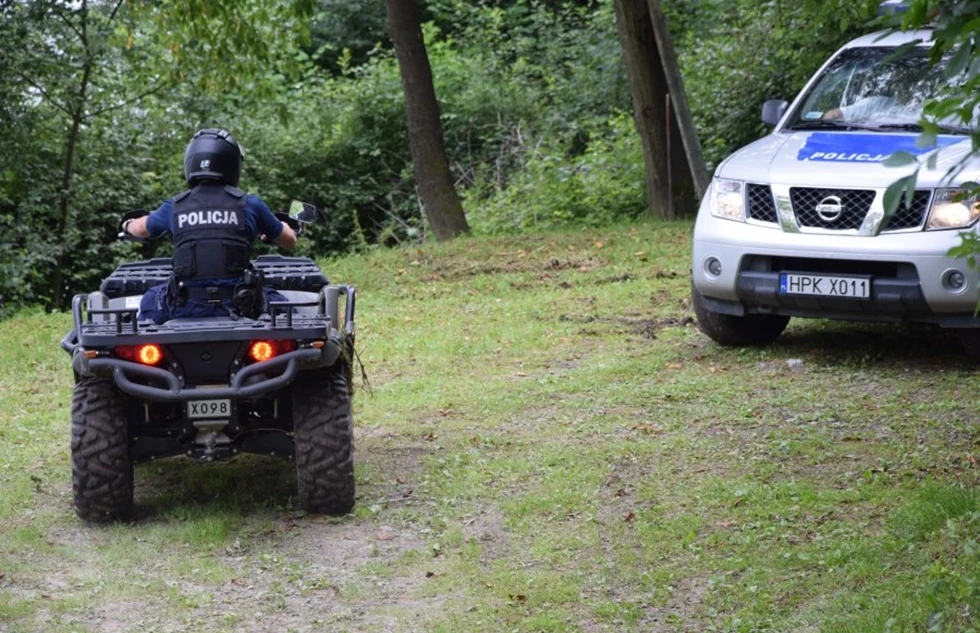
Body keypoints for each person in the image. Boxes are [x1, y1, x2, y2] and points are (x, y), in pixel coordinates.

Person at [122, 128, 298, 324]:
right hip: (241, 305)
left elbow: (141, 229)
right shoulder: (250, 205)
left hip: (184, 306)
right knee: (289, 313)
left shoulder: (174, 206)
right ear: (232, 164)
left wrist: (127, 224)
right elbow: (289, 241)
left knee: (149, 300)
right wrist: (281, 226)